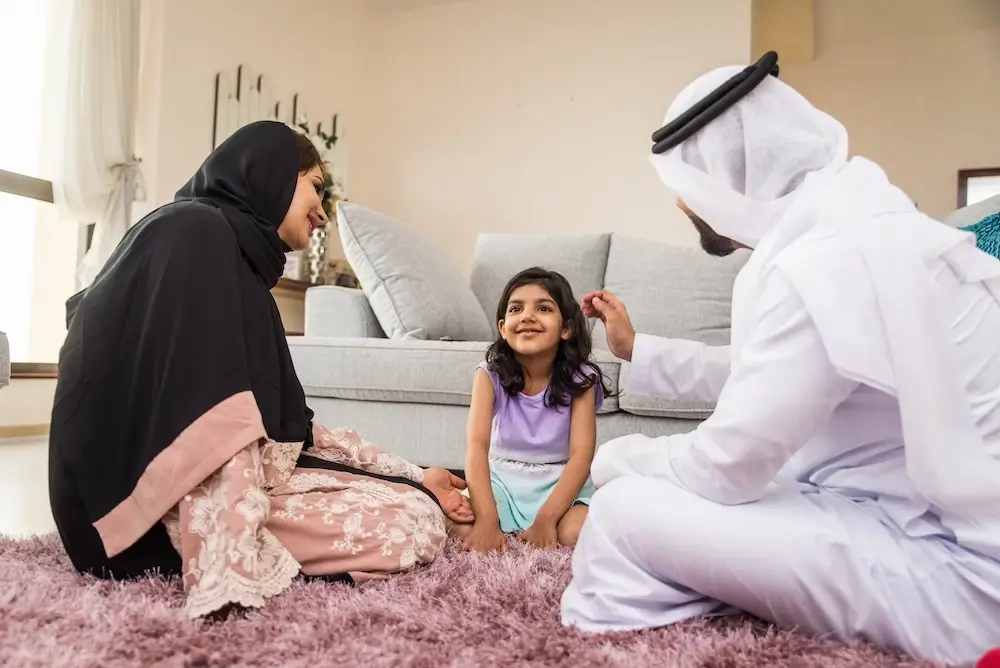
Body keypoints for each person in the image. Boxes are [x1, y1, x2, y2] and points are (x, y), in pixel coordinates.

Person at [559, 63, 1000, 665]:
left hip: (961, 582)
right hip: (913, 520)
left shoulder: (822, 260)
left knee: (623, 512)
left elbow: (726, 469)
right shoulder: (864, 222)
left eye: (684, 187)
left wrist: (616, 459)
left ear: (720, 181)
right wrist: (640, 351)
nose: (682, 205)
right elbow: (771, 370)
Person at [47, 120, 474, 620]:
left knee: (417, 505)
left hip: (205, 482)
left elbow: (294, 434)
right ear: (270, 172)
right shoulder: (195, 233)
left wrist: (417, 475)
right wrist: (226, 568)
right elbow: (210, 419)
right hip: (140, 513)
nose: (324, 211)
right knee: (411, 526)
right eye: (316, 187)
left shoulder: (234, 259)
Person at [462, 267, 612, 553]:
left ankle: (543, 522)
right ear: (503, 328)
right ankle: (495, 522)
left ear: (566, 328)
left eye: (543, 308)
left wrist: (547, 518)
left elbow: (581, 457)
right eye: (517, 308)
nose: (528, 316)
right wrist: (486, 518)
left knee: (577, 533)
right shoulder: (488, 375)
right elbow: (476, 447)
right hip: (502, 481)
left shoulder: (582, 379)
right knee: (455, 521)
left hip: (559, 483)